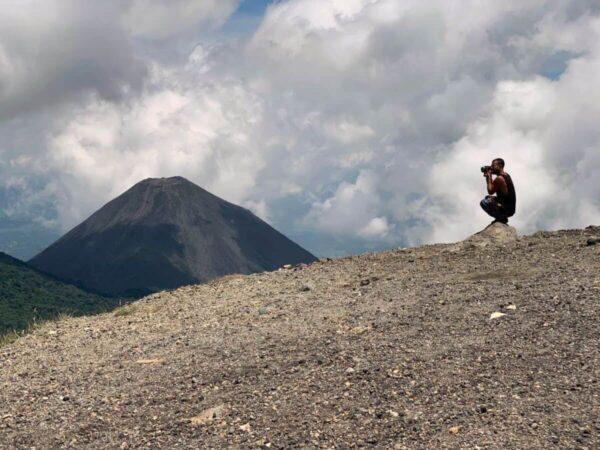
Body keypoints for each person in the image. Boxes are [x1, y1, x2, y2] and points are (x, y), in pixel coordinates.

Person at [480, 158, 516, 224]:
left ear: (500, 166)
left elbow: (490, 190)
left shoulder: (500, 178)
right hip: (509, 206)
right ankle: (501, 216)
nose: (491, 167)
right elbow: (493, 186)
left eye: (493, 165)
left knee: (484, 202)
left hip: (507, 209)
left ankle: (501, 218)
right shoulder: (505, 175)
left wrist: (489, 177)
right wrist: (488, 177)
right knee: (488, 197)